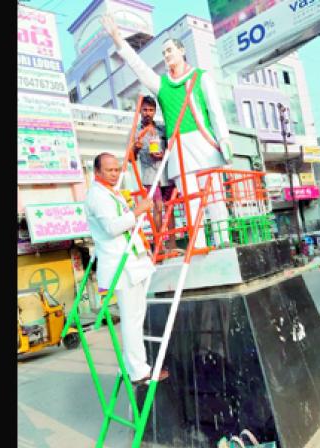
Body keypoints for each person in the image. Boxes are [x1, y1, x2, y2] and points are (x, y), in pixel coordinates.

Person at [101, 13, 231, 248]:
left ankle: (224, 241)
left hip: (205, 144)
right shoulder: (161, 85)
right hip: (179, 148)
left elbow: (215, 112)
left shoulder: (201, 78)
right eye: (164, 53)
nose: (167, 55)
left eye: (170, 50)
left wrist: (224, 139)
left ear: (182, 51)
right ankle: (198, 245)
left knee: (214, 197)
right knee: (190, 201)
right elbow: (139, 67)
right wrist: (118, 39)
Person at [84, 152, 169, 385]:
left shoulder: (110, 193)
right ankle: (139, 371)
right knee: (132, 321)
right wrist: (138, 210)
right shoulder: (98, 196)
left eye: (116, 169)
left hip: (133, 263)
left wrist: (145, 249)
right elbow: (112, 228)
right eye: (109, 170)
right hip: (121, 267)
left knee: (135, 319)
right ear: (97, 172)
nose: (114, 173)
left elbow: (129, 230)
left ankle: (129, 366)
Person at [133, 95, 178, 253]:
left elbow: (172, 146)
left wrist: (163, 152)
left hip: (166, 173)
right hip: (150, 175)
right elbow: (131, 156)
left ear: (155, 111)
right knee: (157, 207)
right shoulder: (135, 131)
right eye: (145, 109)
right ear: (140, 111)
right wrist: (137, 148)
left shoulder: (161, 128)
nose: (147, 113)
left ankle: (172, 244)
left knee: (170, 208)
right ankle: (160, 245)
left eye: (151, 110)